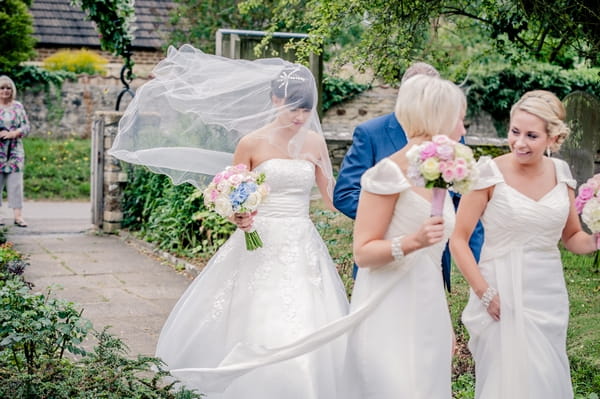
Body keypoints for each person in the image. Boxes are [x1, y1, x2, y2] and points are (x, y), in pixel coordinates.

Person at [109, 45, 349, 398]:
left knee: (308, 309)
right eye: (293, 108)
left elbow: (332, 198)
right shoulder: (250, 143)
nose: (300, 117)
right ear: (274, 100)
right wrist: (237, 212)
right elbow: (235, 189)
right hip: (260, 239)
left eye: (306, 109)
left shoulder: (314, 141)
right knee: (258, 310)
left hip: (302, 240)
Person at [449, 90, 599, 399]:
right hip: (498, 291)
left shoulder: (562, 174)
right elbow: (459, 239)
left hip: (546, 292)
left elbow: (571, 237)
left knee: (544, 375)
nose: (519, 142)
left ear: (552, 138)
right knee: (506, 380)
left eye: (531, 135)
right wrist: (485, 293)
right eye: (515, 132)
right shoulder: (489, 173)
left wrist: (596, 239)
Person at [342, 74, 469, 398]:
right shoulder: (386, 173)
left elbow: (437, 251)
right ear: (437, 119)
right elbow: (363, 252)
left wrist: (445, 325)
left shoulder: (437, 172)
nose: (463, 130)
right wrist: (413, 241)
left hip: (428, 302)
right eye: (460, 119)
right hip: (388, 304)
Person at [333, 62, 483, 288]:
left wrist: (479, 267)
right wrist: (394, 216)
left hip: (431, 267)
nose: (462, 130)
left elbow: (464, 206)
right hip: (386, 268)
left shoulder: (449, 143)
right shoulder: (371, 133)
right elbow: (345, 193)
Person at [0, 75, 29, 227]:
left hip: (15, 152)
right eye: (2, 88)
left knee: (15, 184)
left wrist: (13, 133)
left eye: (8, 88)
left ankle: (18, 216)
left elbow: (26, 127)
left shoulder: (18, 106)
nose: (5, 91)